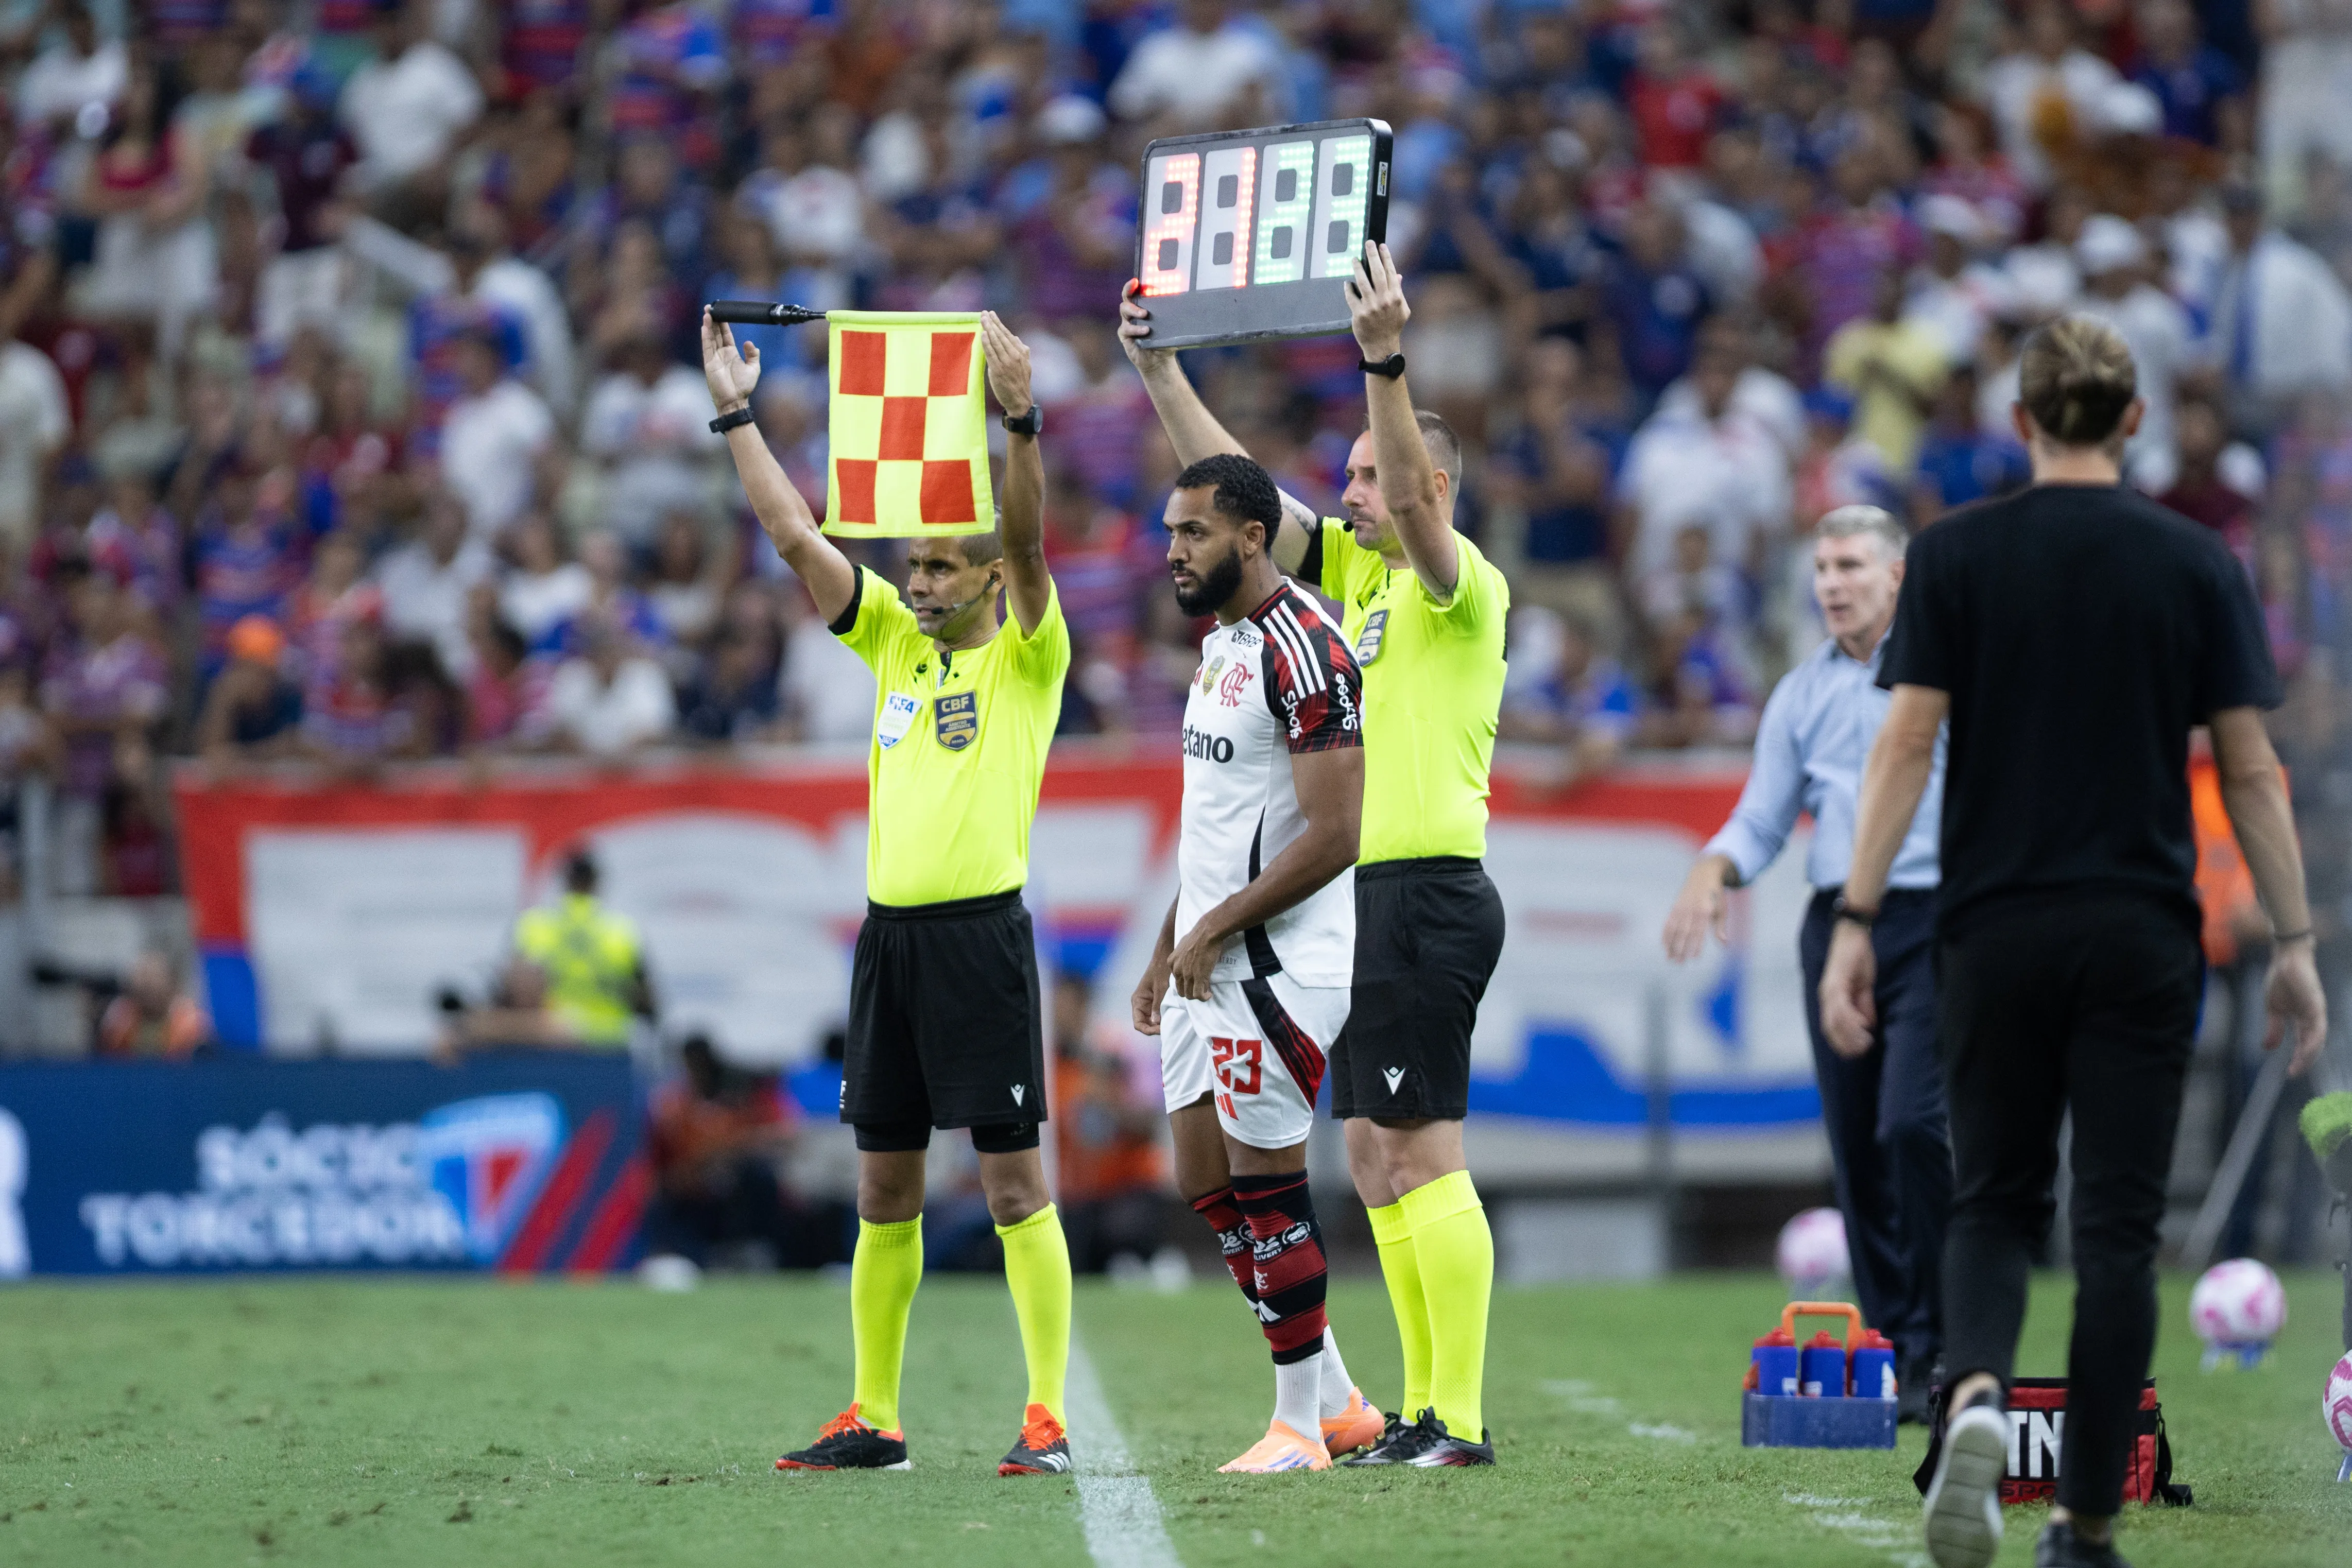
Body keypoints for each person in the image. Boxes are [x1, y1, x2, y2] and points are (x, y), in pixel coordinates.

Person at [1822, 316, 2328, 1568]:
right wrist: (2297, 942)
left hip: (1992, 927)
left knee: (1990, 1202)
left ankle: (1979, 1394)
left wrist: (1854, 914)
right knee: (2115, 1237)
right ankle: (2086, 1526)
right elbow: (2251, 770)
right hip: (2141, 934)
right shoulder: (2194, 562)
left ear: (2022, 423)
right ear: (2133, 422)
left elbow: (1902, 746)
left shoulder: (1951, 558)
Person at [1122, 243, 1506, 1469]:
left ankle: (1458, 1416)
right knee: (1370, 1154)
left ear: (1426, 485)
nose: (1341, 493)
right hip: (1368, 902)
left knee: (1421, 1150)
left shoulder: (1458, 587)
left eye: (1367, 475)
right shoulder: (1358, 582)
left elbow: (1404, 490)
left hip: (1426, 887)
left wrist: (1383, 359)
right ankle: (1401, 1410)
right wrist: (1157, 368)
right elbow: (1234, 493)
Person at [702, 306, 1078, 1479]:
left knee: (1014, 1182)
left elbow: (1025, 537)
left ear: (986, 577)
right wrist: (733, 414)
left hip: (981, 943)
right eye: (910, 563)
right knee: (882, 1184)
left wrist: (1017, 423)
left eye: (936, 566)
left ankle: (1047, 1417)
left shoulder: (1027, 652)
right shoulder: (892, 647)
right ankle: (874, 1415)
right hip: (891, 946)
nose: (913, 582)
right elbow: (792, 536)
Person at [1662, 504, 1951, 1423]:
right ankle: (1902, 1350)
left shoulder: (1950, 673)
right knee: (1859, 1147)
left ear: (1897, 576)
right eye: (1821, 568)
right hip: (1836, 928)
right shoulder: (1799, 694)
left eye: (1850, 567)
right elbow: (1762, 816)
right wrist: (1714, 868)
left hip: (1937, 918)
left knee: (1914, 1127)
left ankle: (1952, 1344)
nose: (1830, 584)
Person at [1124, 452, 1370, 1473]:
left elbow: (1335, 832)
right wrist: (1166, 940)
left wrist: (1219, 927)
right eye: (1171, 532)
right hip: (1206, 953)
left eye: (1194, 533)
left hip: (1275, 965)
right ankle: (1345, 1401)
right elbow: (1219, 822)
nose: (1173, 550)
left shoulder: (1307, 647)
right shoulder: (1220, 643)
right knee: (1203, 1177)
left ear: (1253, 537)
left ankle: (1297, 1430)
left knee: (1271, 1188)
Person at [510, 851, 656, 1050]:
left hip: (552, 1040)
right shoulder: (623, 931)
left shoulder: (535, 926)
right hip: (611, 1043)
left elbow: (511, 992)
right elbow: (648, 1002)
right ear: (596, 882)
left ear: (564, 881)